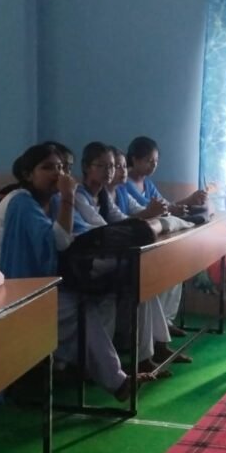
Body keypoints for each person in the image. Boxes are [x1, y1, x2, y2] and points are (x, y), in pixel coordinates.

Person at [0, 143, 137, 401]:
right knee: (76, 306)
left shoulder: (54, 200)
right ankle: (109, 378)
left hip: (36, 280)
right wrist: (69, 197)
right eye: (48, 168)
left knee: (89, 300)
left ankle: (105, 375)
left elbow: (83, 231)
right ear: (28, 174)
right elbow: (59, 242)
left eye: (61, 168)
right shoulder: (21, 202)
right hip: (2, 284)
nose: (57, 174)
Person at [74, 142, 189, 373]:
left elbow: (122, 221)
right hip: (85, 265)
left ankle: (156, 346)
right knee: (141, 280)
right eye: (103, 166)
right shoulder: (79, 195)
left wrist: (144, 223)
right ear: (86, 167)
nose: (110, 171)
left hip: (109, 256)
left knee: (145, 280)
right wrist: (145, 223)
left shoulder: (104, 196)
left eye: (112, 166)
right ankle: (144, 356)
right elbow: (103, 229)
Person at [123, 136, 206, 216]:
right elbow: (148, 209)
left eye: (156, 161)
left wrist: (190, 200)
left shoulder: (147, 184)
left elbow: (165, 205)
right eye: (149, 161)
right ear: (134, 159)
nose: (154, 165)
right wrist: (188, 201)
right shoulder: (123, 184)